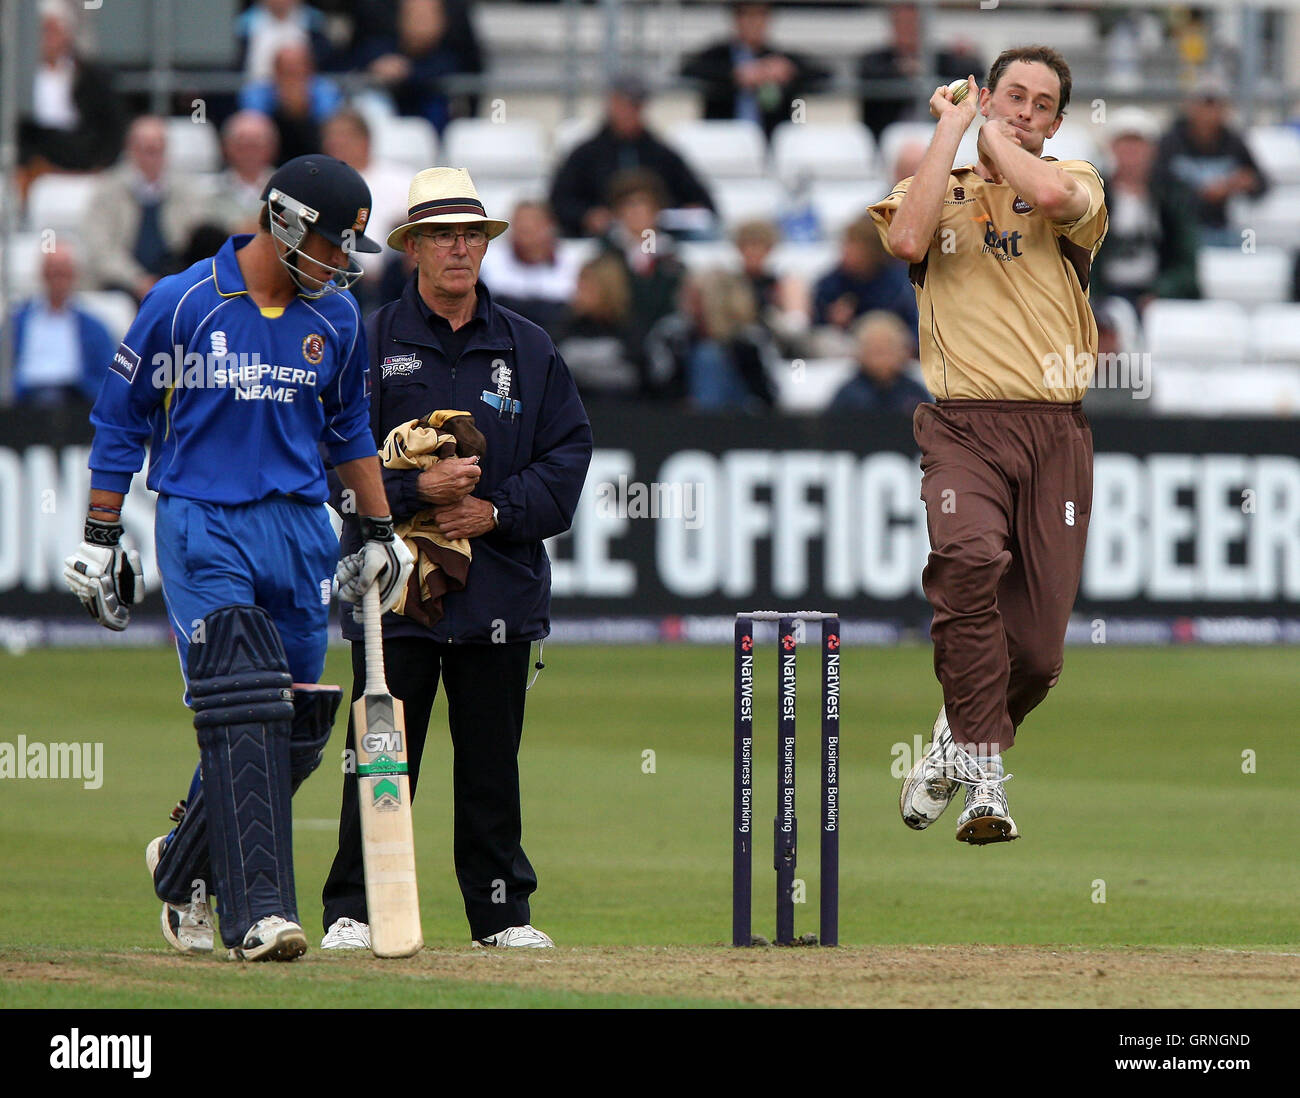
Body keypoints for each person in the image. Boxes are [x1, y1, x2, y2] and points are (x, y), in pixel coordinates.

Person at [64, 154, 413, 961]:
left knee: (294, 724)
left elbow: (349, 431)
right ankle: (259, 916)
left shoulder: (337, 320)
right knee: (246, 699)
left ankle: (183, 862)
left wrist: (381, 530)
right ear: (285, 224)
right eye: (331, 246)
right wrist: (100, 536)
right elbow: (121, 422)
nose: (339, 264)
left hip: (300, 529)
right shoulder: (182, 302)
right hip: (202, 521)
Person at [320, 167, 592, 951]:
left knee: (488, 769)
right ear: (412, 249)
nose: (459, 249)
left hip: (499, 589)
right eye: (443, 235)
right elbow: (328, 460)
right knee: (378, 761)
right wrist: (413, 488)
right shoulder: (364, 340)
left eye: (471, 234)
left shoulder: (528, 347)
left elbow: (568, 458)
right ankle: (354, 911)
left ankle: (501, 917)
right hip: (391, 586)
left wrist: (494, 511)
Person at [869, 47, 1108, 844]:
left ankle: (951, 738)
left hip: (1055, 430)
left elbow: (1042, 191)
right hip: (965, 423)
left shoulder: (1077, 179)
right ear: (987, 95)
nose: (1027, 112)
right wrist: (951, 130)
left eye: (1043, 104)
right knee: (968, 561)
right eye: (1014, 96)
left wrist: (988, 129)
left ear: (1058, 120)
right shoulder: (940, 183)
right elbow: (906, 241)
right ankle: (983, 777)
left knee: (1037, 657)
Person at [549, 74, 715, 238]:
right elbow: (560, 201)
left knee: (700, 236)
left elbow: (700, 200)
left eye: (635, 105)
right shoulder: (585, 155)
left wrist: (671, 214)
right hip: (604, 240)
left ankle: (646, 262)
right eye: (624, 104)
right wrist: (586, 216)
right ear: (611, 103)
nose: (629, 111)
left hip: (653, 236)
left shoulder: (663, 155)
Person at [82, 116, 207, 303]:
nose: (153, 157)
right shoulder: (107, 190)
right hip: (121, 287)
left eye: (158, 150)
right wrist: (137, 280)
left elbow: (197, 242)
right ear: (131, 151)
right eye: (146, 150)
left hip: (176, 284)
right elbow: (101, 250)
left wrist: (171, 282)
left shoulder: (186, 191)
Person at [1092, 107, 1199, 311]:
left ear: (1152, 149)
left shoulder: (1174, 195)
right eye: (1124, 143)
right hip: (1104, 297)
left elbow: (1187, 261)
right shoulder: (1093, 195)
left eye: (1138, 143)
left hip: (1157, 298)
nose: (1131, 150)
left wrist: (1160, 292)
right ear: (1111, 147)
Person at [680, 1, 830, 140]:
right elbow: (688, 70)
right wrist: (735, 74)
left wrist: (788, 71)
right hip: (722, 139)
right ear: (736, 20)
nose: (754, 23)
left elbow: (823, 74)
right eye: (747, 16)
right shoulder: (718, 56)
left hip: (771, 140)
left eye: (759, 16)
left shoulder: (777, 57)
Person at [18, 0, 124, 181]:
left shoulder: (91, 76)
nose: (48, 38)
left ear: (67, 33)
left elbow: (110, 124)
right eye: (43, 30)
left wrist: (100, 165)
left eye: (54, 30)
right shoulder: (19, 75)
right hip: (35, 156)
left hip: (81, 155)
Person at [644, 268, 777, 410]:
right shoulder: (671, 334)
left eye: (696, 297)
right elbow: (659, 381)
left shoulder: (751, 338)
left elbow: (768, 389)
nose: (687, 303)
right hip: (682, 412)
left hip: (742, 413)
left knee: (709, 354)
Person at [1155, 79, 1266, 247]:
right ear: (1190, 107)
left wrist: (1246, 183)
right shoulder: (1170, 143)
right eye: (1204, 105)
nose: (1209, 113)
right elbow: (1156, 184)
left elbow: (1261, 182)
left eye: (1216, 106)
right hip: (1175, 229)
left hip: (1220, 227)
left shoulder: (1233, 143)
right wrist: (1201, 193)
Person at [3, 242, 115, 406]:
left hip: (77, 402)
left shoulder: (94, 328)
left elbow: (108, 379)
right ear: (42, 274)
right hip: (24, 403)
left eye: (63, 273)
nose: (58, 279)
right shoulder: (16, 324)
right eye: (53, 272)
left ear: (74, 275)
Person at [858, 3, 983, 139]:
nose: (908, 30)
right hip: (888, 134)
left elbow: (976, 77)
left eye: (912, 24)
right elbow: (869, 76)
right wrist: (901, 71)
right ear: (893, 26)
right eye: (902, 24)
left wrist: (969, 58)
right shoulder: (876, 60)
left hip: (937, 129)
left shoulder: (940, 58)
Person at [356, 0, 464, 134]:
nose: (421, 22)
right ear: (400, 18)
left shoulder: (451, 55)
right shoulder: (379, 49)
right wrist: (373, 69)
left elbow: (437, 73)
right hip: (383, 132)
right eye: (414, 14)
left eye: (428, 16)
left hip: (434, 134)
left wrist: (403, 72)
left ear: (442, 21)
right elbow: (345, 66)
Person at [478, 199, 580, 331]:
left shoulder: (573, 262)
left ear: (550, 225)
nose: (527, 228)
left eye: (535, 223)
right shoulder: (487, 261)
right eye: (520, 224)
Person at [812, 215, 919, 337]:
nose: (846, 251)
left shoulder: (897, 283)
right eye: (846, 244)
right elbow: (816, 321)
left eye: (853, 246)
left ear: (871, 251)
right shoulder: (832, 281)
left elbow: (908, 324)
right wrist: (831, 318)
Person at [240, 40, 343, 163]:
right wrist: (281, 106)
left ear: (309, 68)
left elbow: (327, 124)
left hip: (316, 154)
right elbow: (256, 123)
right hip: (273, 158)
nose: (293, 75)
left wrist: (303, 108)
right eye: (286, 69)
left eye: (298, 67)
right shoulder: (257, 91)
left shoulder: (326, 89)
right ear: (276, 71)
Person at [553, 253, 639, 396]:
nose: (578, 294)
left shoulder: (629, 332)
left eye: (587, 288)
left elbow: (636, 379)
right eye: (579, 286)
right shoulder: (563, 328)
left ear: (608, 291)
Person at [827, 310, 931, 414]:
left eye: (888, 350)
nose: (882, 359)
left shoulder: (914, 393)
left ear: (903, 352)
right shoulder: (848, 396)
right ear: (860, 353)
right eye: (876, 351)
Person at [201, 110, 281, 234]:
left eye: (255, 145)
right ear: (225, 147)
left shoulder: (286, 191)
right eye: (241, 145)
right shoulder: (206, 192)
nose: (249, 153)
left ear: (272, 147)